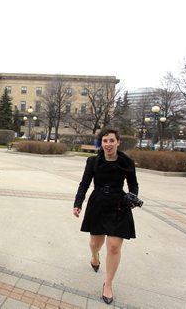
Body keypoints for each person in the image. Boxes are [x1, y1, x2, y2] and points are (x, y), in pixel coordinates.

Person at [73, 129, 139, 305]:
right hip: (98, 203)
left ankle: (108, 284)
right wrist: (78, 203)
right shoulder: (93, 161)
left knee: (114, 246)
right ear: (101, 143)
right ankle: (95, 257)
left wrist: (132, 197)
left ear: (118, 142)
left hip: (119, 204)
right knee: (95, 243)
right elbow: (84, 183)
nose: (108, 144)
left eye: (111, 141)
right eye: (105, 141)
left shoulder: (127, 162)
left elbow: (133, 184)